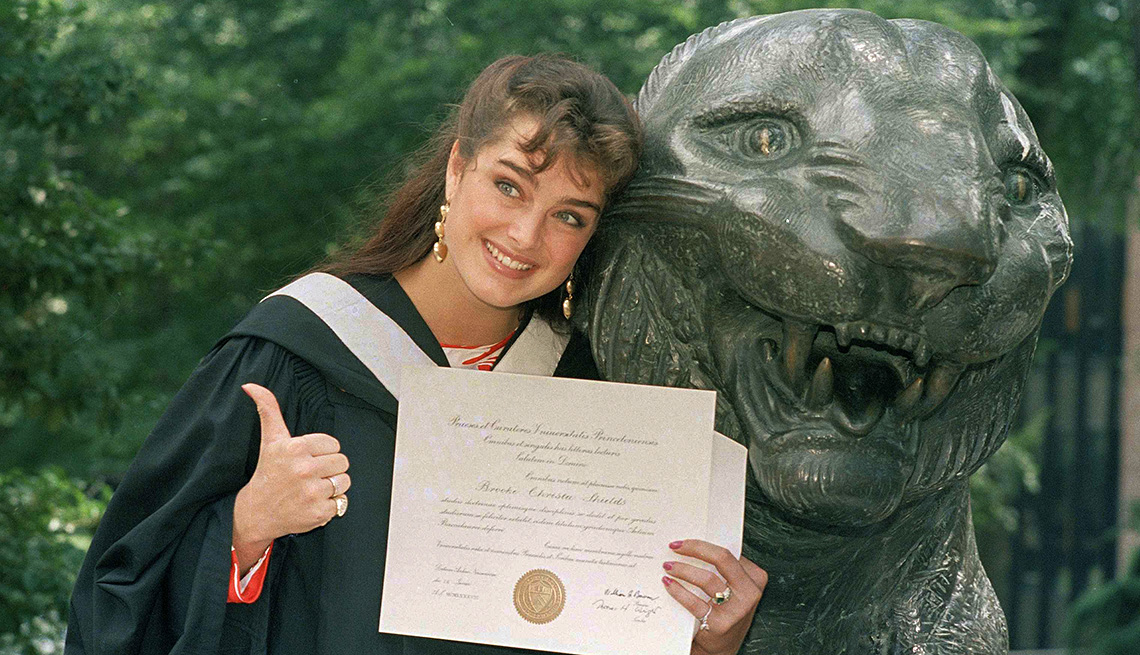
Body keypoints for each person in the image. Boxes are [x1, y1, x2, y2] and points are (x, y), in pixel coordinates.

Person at [65, 54, 767, 655]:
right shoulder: (298, 349)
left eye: (569, 215)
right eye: (509, 184)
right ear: (457, 168)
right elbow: (117, 596)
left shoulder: (591, 402)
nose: (526, 234)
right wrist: (246, 529)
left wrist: (702, 639)